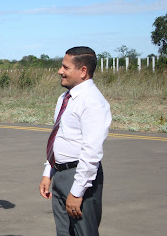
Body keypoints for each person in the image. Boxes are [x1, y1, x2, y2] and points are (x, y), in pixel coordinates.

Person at [39, 46, 112, 236]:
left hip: (79, 177)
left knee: (84, 232)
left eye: (65, 67)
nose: (60, 71)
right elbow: (59, 137)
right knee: (63, 233)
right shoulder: (65, 98)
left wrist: (77, 191)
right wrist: (49, 172)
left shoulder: (93, 102)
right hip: (60, 175)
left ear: (83, 71)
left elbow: (91, 151)